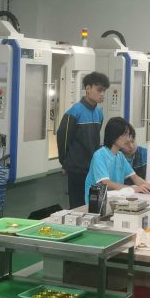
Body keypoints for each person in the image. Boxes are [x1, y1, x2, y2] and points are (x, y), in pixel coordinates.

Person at [57, 71, 110, 208]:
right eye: (99, 90)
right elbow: (63, 140)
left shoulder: (99, 113)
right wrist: (65, 163)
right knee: (78, 206)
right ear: (87, 88)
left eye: (104, 91)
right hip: (77, 169)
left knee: (95, 206)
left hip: (94, 167)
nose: (102, 94)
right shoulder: (74, 112)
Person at [84, 117, 150, 205]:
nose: (127, 139)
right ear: (114, 136)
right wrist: (133, 189)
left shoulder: (120, 156)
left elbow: (135, 178)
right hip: (97, 203)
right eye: (124, 135)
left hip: (115, 200)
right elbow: (106, 183)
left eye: (128, 135)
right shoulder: (99, 155)